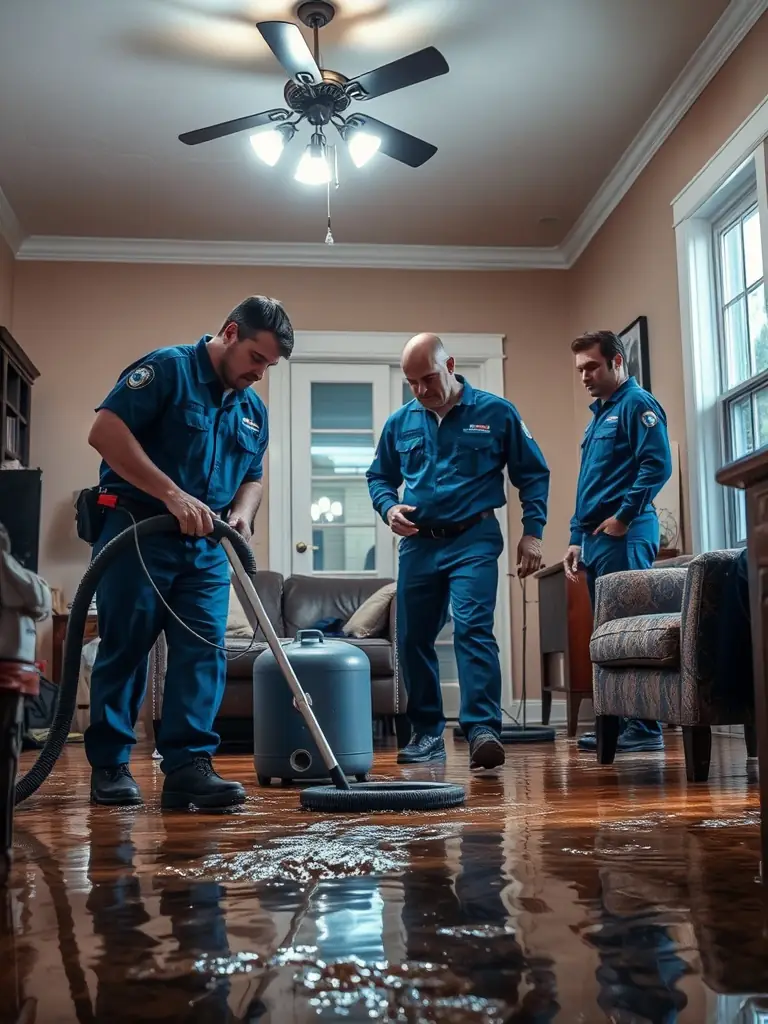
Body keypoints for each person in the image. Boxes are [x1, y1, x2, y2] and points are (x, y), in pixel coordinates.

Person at [84, 296, 294, 808]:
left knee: (203, 653)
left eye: (269, 365)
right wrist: (172, 495)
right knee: (126, 648)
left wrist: (241, 513)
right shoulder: (167, 370)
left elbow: (253, 476)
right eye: (256, 358)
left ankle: (188, 767)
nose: (260, 373)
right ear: (230, 333)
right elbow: (104, 432)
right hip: (138, 531)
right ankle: (111, 766)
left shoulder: (252, 410)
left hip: (206, 545)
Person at [366, 333, 550, 772]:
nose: (420, 390)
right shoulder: (401, 422)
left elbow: (532, 474)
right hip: (419, 544)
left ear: (450, 366)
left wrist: (533, 533)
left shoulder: (496, 413)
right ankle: (427, 733)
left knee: (472, 628)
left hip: (474, 538)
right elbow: (379, 477)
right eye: (411, 382)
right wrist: (388, 508)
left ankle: (482, 729)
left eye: (427, 379)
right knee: (413, 637)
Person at [563, 330, 672, 754]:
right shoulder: (599, 416)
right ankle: (625, 724)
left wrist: (624, 517)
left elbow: (657, 465)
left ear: (617, 361)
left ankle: (644, 728)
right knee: (609, 635)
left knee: (630, 631)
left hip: (625, 534)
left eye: (592, 366)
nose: (584, 376)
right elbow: (588, 485)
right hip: (596, 539)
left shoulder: (637, 404)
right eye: (580, 369)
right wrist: (576, 538)